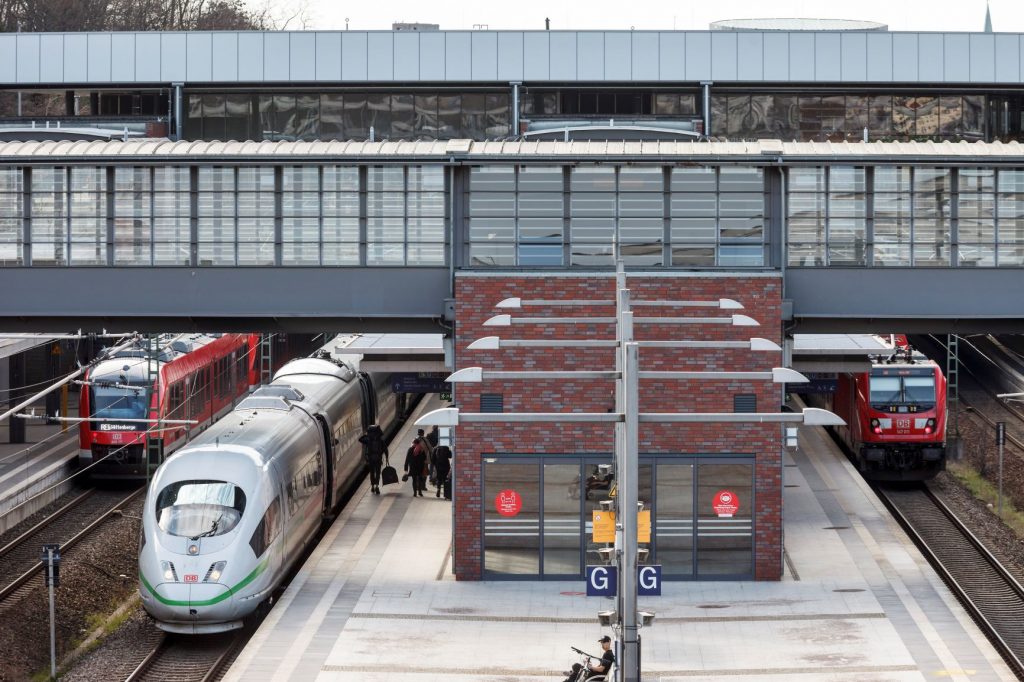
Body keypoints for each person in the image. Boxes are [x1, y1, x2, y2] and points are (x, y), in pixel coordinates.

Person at [358, 424, 387, 495]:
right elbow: (385, 450)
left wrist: (366, 435)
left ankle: (372, 486)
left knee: (372, 473)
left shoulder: (368, 440)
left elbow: (360, 439)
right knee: (377, 473)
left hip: (371, 459)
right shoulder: (380, 440)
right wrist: (387, 458)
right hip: (378, 459)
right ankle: (377, 486)